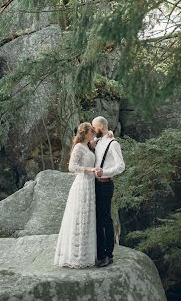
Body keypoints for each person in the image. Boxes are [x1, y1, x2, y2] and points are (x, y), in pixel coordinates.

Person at [54, 122, 113, 268]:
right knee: (80, 216)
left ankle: (89, 253)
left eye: (93, 132)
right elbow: (71, 167)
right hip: (82, 185)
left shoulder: (89, 145)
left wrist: (109, 133)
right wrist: (89, 169)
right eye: (91, 132)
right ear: (85, 133)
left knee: (89, 218)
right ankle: (77, 255)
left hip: (91, 185)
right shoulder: (79, 147)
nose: (93, 134)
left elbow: (101, 139)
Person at [92, 115, 126, 267]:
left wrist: (104, 173)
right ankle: (100, 254)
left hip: (106, 185)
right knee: (98, 220)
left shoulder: (113, 144)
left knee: (105, 220)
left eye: (94, 128)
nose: (93, 130)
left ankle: (108, 255)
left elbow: (121, 166)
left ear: (101, 127)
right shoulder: (98, 141)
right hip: (95, 185)